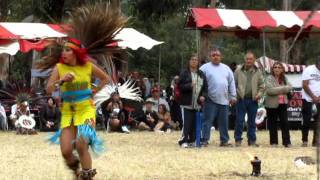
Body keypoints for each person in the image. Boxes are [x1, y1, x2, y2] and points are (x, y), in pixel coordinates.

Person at [200, 49, 236, 147]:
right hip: (210, 99)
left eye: (218, 55)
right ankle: (204, 140)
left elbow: (231, 82)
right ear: (210, 56)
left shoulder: (226, 68)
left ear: (221, 57)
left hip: (224, 99)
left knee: (224, 122)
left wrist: (233, 96)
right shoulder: (204, 68)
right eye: (213, 55)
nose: (216, 57)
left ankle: (224, 141)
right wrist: (201, 95)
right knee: (207, 121)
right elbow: (200, 82)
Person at [234, 51, 264, 147]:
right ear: (244, 60)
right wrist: (235, 96)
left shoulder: (258, 71)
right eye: (247, 59)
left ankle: (252, 141)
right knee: (239, 121)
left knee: (252, 122)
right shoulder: (238, 70)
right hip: (241, 99)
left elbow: (262, 86)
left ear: (254, 60)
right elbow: (233, 84)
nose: (249, 61)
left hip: (253, 100)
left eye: (251, 59)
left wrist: (259, 95)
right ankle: (238, 140)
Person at [178, 54, 206, 148]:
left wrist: (203, 96)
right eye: (192, 59)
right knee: (186, 123)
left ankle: (192, 140)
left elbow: (205, 88)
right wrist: (189, 85)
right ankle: (183, 141)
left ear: (198, 62)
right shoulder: (184, 73)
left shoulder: (201, 74)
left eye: (196, 60)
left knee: (195, 123)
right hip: (186, 103)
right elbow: (179, 86)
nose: (194, 61)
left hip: (197, 104)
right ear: (189, 61)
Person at [265, 62, 292, 147]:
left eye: (279, 67)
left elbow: (290, 87)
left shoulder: (284, 78)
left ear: (282, 69)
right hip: (271, 105)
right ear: (272, 69)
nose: (277, 69)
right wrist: (284, 88)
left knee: (285, 123)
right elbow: (270, 91)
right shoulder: (269, 78)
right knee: (272, 124)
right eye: (275, 67)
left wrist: (277, 89)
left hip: (283, 104)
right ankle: (274, 143)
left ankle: (287, 142)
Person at [301, 57, 320, 147]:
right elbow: (305, 85)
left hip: (319, 99)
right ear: (317, 63)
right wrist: (313, 97)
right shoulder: (309, 69)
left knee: (318, 121)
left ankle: (315, 141)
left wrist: (318, 97)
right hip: (307, 99)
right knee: (306, 120)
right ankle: (304, 140)